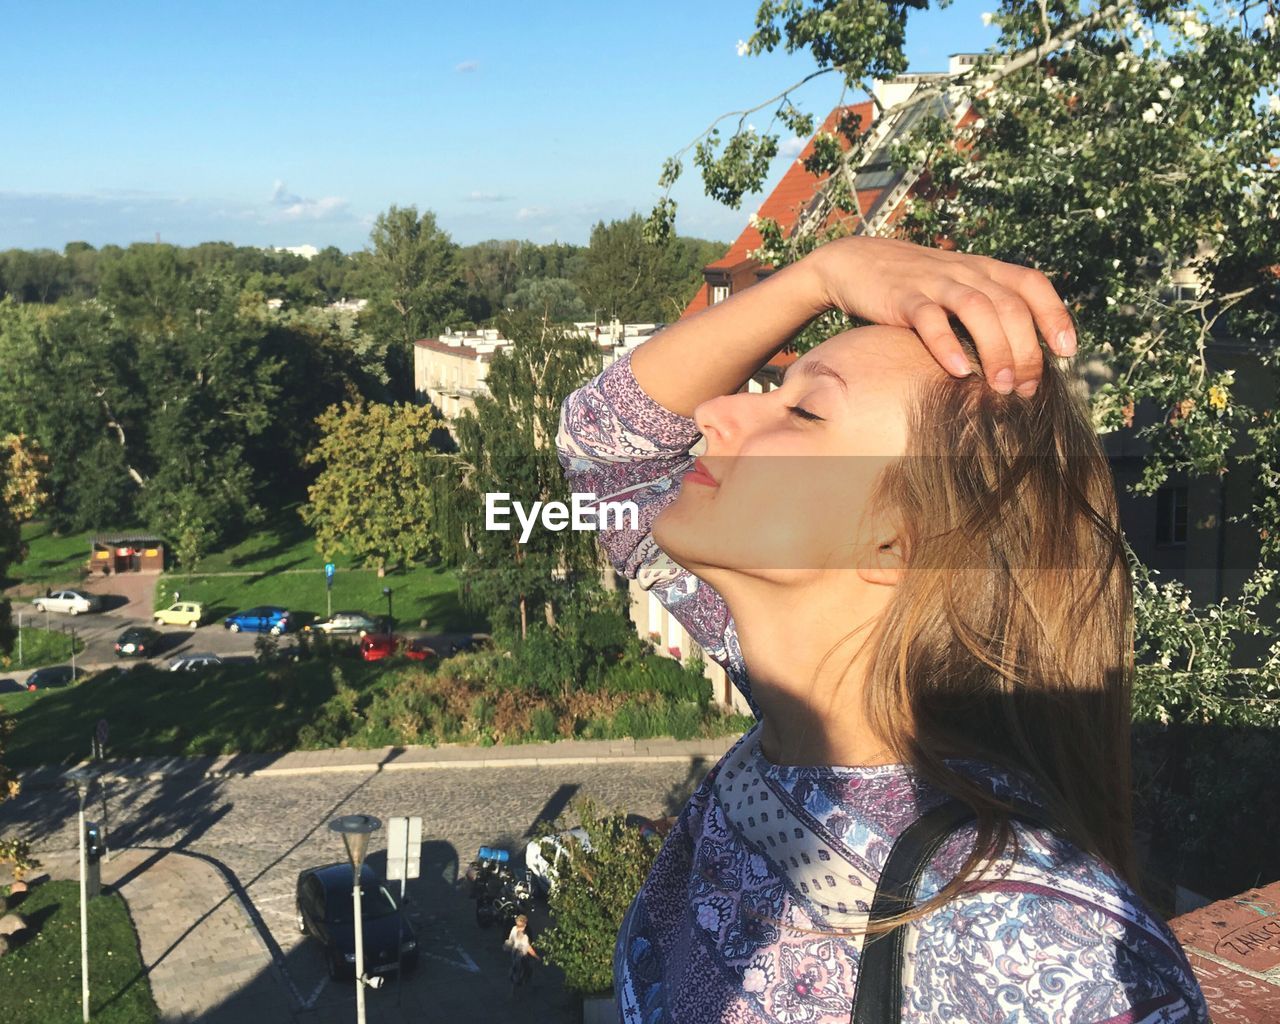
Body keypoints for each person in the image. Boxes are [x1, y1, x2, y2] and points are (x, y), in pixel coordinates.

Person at [555, 235, 1211, 1023]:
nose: (715, 411)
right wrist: (824, 272)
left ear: (896, 542)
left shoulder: (1032, 939)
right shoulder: (796, 706)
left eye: (801, 410)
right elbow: (610, 456)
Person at [504, 913, 539, 992]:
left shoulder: (514, 929)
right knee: (525, 970)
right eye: (518, 926)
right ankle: (522, 987)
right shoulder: (525, 937)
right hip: (521, 956)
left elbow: (511, 940)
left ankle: (515, 988)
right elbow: (529, 948)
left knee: (517, 970)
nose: (519, 928)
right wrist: (536, 956)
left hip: (514, 954)